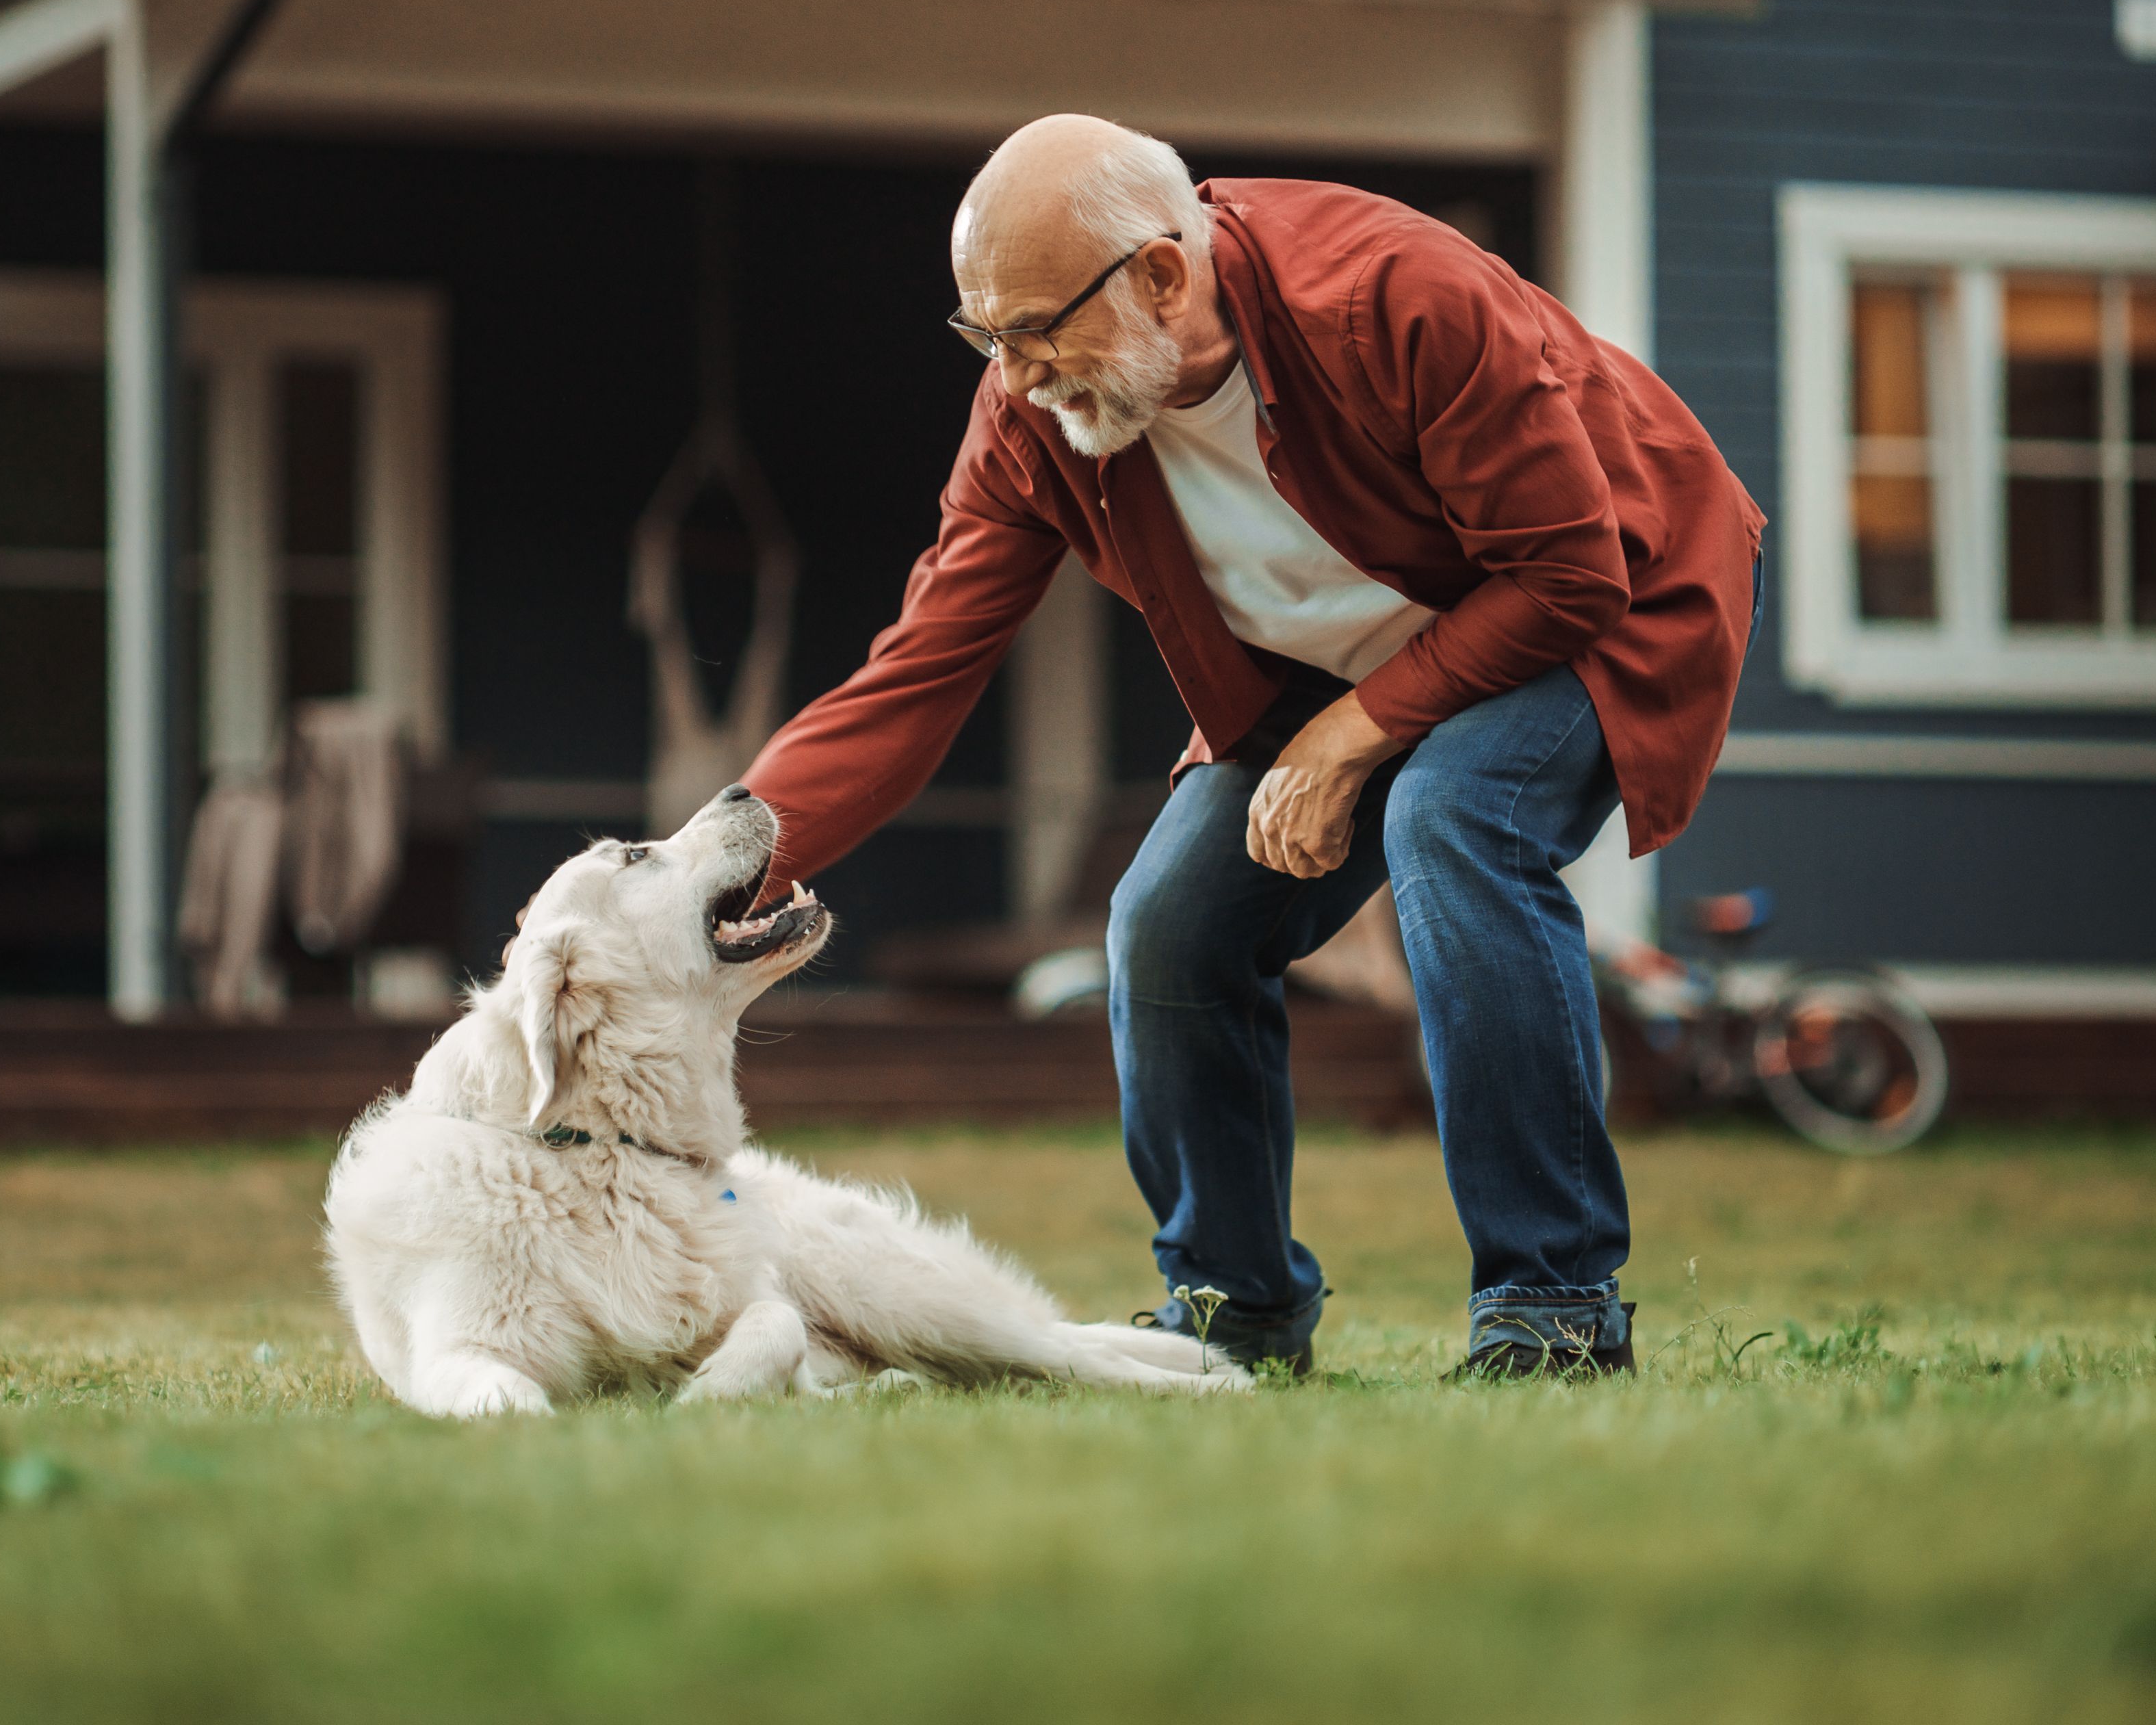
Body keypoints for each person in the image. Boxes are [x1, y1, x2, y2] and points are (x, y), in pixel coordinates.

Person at [740, 115, 1762, 1378]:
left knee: (1452, 816)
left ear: (1164, 274)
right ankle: (1235, 1314)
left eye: (1036, 329)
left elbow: (1567, 570)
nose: (1014, 375)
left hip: (1607, 593)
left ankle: (1552, 1309)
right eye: (985, 337)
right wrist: (727, 861)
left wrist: (1355, 734)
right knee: (1167, 919)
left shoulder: (1395, 294)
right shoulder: (1034, 416)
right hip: (1341, 669)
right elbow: (920, 669)